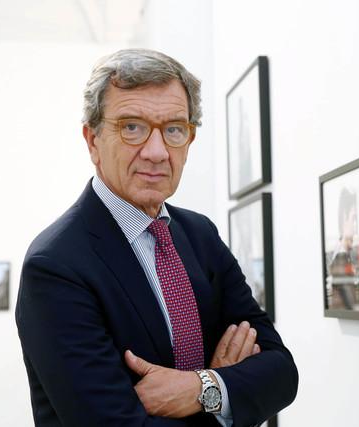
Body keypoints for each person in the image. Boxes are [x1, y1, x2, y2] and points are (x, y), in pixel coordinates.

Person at [16, 49, 298, 427]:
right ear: (92, 140)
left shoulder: (200, 235)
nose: (157, 152)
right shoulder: (55, 265)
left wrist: (200, 388)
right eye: (132, 127)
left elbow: (281, 372)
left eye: (174, 130)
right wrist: (224, 396)